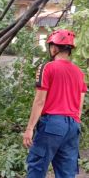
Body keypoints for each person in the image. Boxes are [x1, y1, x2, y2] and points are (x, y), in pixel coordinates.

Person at [23, 29, 87, 178]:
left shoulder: (48, 67)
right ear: (70, 49)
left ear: (54, 48)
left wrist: (29, 129)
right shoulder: (79, 72)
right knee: (66, 173)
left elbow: (39, 101)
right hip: (73, 125)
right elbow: (79, 106)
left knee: (37, 167)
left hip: (53, 124)